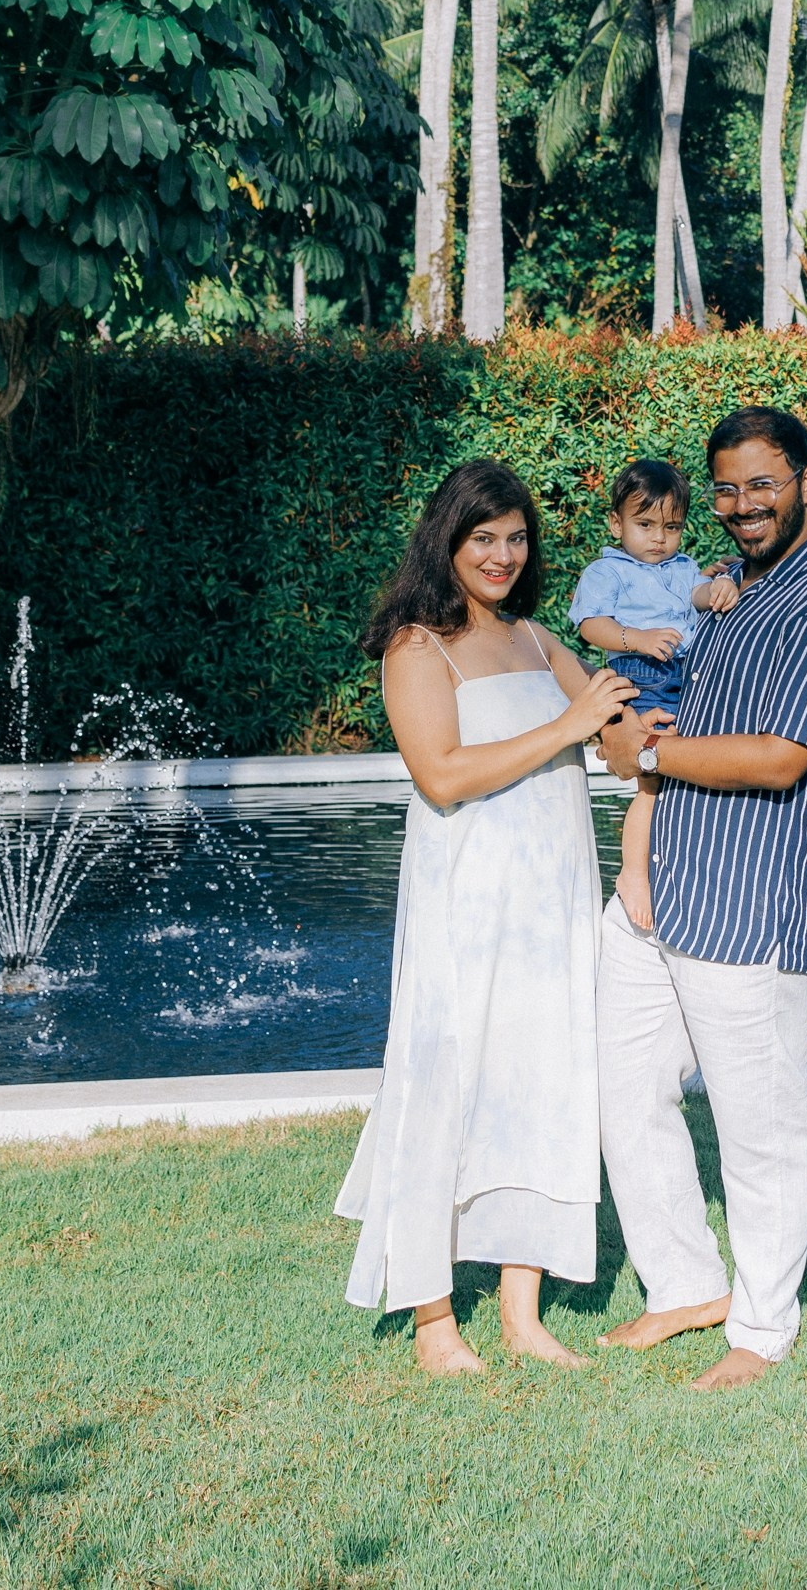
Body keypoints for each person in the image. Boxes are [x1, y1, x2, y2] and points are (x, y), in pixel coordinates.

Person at [594, 404, 807, 1391]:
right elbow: (712, 719)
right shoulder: (733, 593)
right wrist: (646, 734)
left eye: (761, 483)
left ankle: (761, 1330)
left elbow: (777, 759)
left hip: (746, 904)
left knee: (759, 1132)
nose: (741, 504)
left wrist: (654, 751)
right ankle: (682, 1285)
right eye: (724, 487)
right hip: (659, 890)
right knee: (621, 1090)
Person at [336, 459, 633, 1374]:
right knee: (445, 1084)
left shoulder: (542, 641)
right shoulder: (417, 648)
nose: (504, 555)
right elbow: (445, 774)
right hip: (466, 905)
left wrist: (645, 712)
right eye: (484, 539)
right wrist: (572, 725)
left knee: (545, 1087)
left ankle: (521, 1312)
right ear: (448, 542)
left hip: (553, 907)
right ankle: (433, 1323)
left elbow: (618, 745)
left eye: (517, 538)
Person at [571, 456, 739, 933]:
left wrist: (722, 587)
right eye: (644, 524)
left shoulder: (684, 567)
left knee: (695, 768)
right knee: (653, 781)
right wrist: (635, 638)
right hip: (641, 678)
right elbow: (590, 626)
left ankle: (686, 865)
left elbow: (700, 596)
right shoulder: (608, 572)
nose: (658, 538)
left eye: (671, 526)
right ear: (616, 523)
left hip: (689, 678)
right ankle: (633, 873)